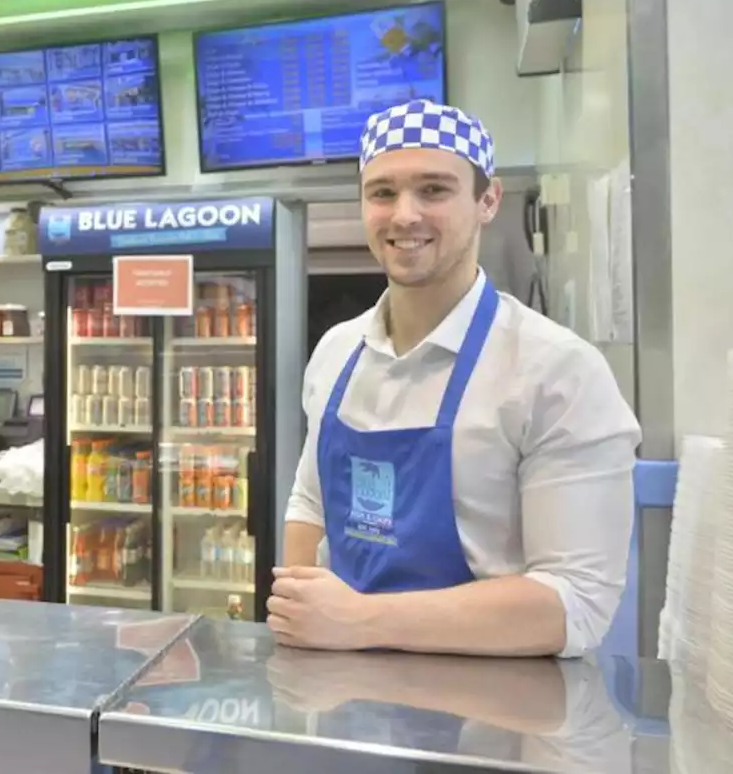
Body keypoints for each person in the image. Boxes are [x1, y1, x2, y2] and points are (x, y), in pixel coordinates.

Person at [269, 100, 641, 658]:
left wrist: (364, 621)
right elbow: (310, 503)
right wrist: (306, 630)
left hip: (497, 721)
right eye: (383, 192)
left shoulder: (557, 371)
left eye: (435, 190)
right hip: (346, 699)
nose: (405, 216)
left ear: (487, 200)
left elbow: (578, 601)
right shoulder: (335, 352)